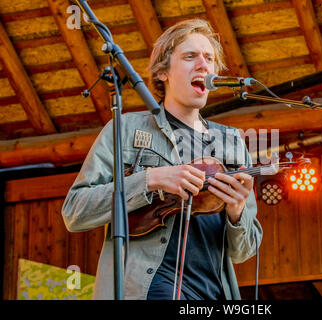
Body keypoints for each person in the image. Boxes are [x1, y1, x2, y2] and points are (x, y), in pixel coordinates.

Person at [61, 19, 262, 300]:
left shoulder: (231, 141)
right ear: (162, 72)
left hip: (215, 294)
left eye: (209, 58)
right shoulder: (125, 129)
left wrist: (237, 212)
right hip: (147, 289)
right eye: (190, 56)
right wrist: (149, 179)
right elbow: (75, 211)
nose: (203, 65)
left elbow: (243, 252)